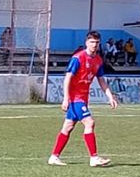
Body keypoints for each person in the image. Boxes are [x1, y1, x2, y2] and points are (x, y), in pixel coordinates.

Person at [48, 31, 118, 167]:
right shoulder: (78, 58)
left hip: (83, 98)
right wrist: (66, 98)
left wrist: (110, 96)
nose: (94, 45)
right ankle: (94, 158)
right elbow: (68, 78)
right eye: (92, 42)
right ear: (87, 43)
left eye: (97, 42)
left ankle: (54, 157)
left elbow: (102, 81)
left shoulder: (98, 60)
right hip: (75, 98)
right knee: (89, 123)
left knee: (68, 127)